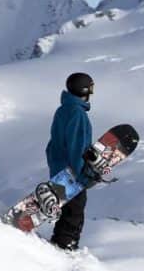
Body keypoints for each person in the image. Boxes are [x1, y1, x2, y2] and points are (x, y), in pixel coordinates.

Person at [45, 72, 95, 251]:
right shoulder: (78, 114)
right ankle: (65, 247)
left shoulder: (63, 109)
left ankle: (59, 244)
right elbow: (77, 148)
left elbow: (54, 143)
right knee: (74, 213)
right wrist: (83, 176)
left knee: (66, 212)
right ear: (84, 90)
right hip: (72, 173)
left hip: (59, 168)